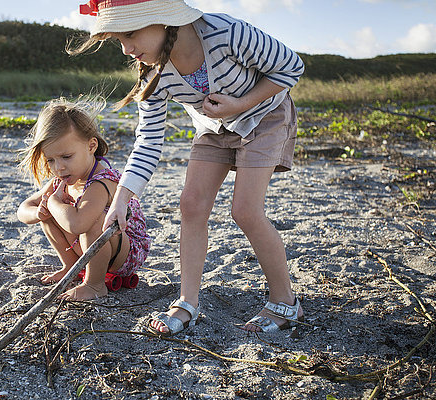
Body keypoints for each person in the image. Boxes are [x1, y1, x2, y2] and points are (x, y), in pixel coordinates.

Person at [71, 0, 305, 334]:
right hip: (213, 128)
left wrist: (240, 103)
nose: (125, 49)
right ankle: (187, 301)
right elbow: (149, 141)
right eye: (118, 40)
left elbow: (291, 66)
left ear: (163, 20)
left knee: (245, 211)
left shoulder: (227, 33)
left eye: (131, 34)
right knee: (191, 205)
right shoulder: (153, 73)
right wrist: (121, 199)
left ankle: (285, 302)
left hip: (264, 117)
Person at [17, 98, 151, 300]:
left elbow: (77, 224)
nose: (58, 167)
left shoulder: (102, 182)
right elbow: (23, 209)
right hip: (93, 248)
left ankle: (95, 285)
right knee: (48, 214)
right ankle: (70, 266)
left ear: (91, 146)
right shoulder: (62, 179)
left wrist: (53, 203)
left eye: (67, 157)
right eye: (50, 160)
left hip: (126, 252)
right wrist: (39, 211)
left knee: (93, 220)